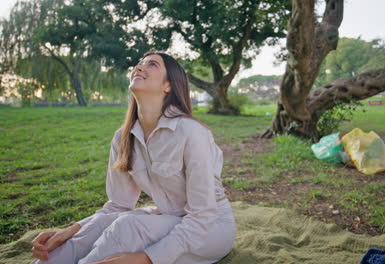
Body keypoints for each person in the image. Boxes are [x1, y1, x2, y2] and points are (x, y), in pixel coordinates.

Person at [31, 51, 236, 264]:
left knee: (127, 226)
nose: (139, 67)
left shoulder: (192, 133)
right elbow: (119, 205)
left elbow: (202, 216)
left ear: (169, 86)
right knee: (92, 231)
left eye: (152, 65)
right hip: (168, 219)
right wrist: (71, 230)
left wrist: (146, 259)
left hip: (210, 230)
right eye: (139, 64)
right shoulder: (123, 137)